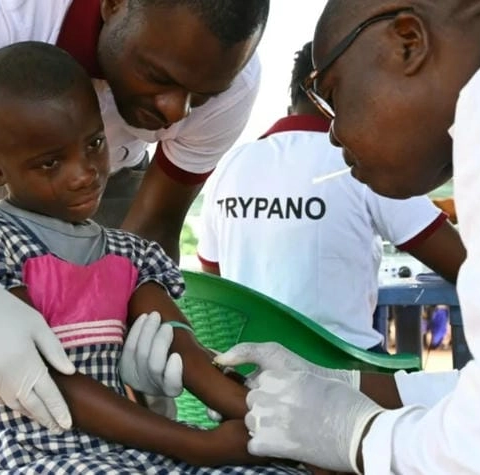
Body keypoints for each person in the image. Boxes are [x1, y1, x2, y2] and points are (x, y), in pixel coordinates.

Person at [0, 0, 267, 472]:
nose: (175, 111)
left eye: (200, 94)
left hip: (120, 175)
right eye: (159, 76)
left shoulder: (227, 74)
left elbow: (155, 245)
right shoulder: (0, 13)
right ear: (115, 6)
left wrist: (265, 414)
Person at [213, 1, 480, 473]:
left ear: (407, 43)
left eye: (333, 94)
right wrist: (342, 386)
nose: (333, 135)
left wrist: (356, 435)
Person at [0, 41, 307, 474]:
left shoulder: (128, 254)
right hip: (30, 451)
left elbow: (181, 346)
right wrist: (197, 443)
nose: (84, 173)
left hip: (121, 448)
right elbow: (44, 378)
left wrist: (276, 424)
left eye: (94, 143)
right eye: (49, 163)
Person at [196, 41, 465, 352]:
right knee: (435, 364)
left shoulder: (232, 163)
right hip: (343, 370)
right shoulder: (365, 160)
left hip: (246, 376)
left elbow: (216, 283)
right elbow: (462, 264)